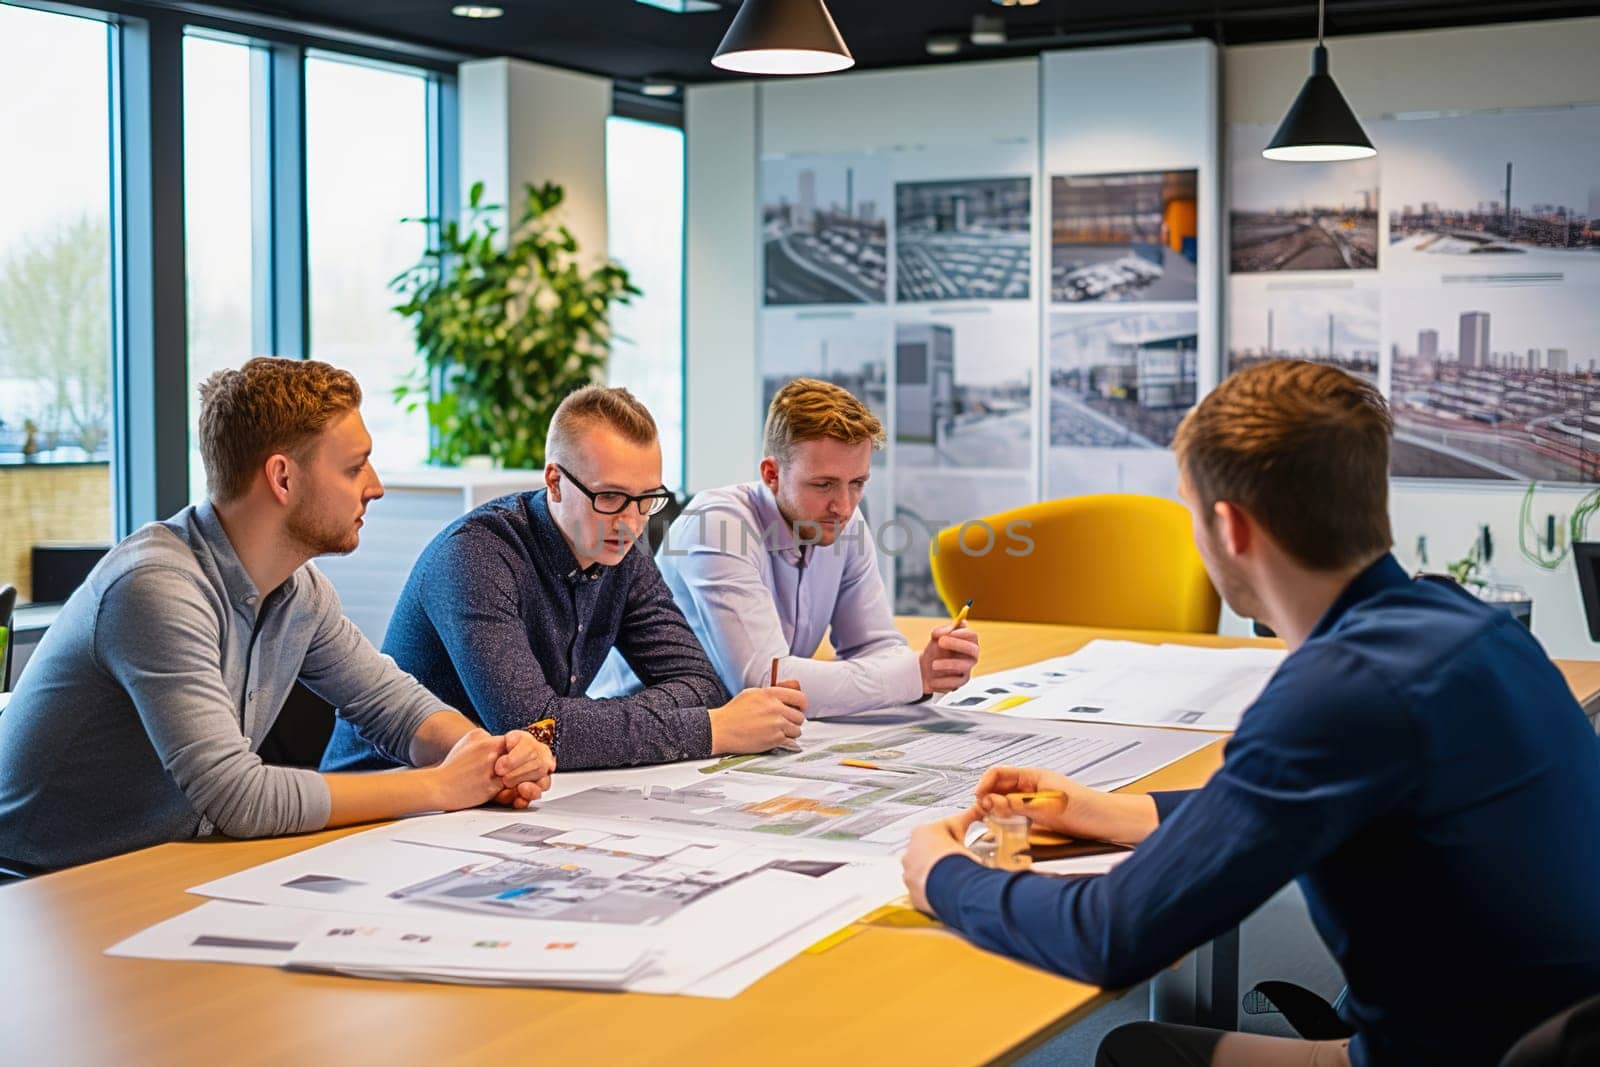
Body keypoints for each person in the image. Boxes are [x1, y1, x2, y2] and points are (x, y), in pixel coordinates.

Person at [899, 360, 1600, 1067]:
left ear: (1230, 527)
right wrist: (1115, 810)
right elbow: (1303, 795)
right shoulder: (1468, 625)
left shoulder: (1339, 691)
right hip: (1547, 1038)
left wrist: (943, 875)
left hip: (1449, 1056)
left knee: (1140, 1054)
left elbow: (1112, 936)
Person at [0, 358, 554, 872]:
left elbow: (394, 707)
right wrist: (440, 787)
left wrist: (484, 756)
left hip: (162, 866)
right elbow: (238, 797)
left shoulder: (297, 589)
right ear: (283, 478)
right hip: (42, 889)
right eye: (354, 467)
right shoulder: (155, 588)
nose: (375, 487)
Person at [321, 385, 807, 774]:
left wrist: (586, 726)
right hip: (385, 796)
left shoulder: (621, 547)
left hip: (503, 792)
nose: (633, 521)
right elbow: (533, 727)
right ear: (555, 481)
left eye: (647, 498)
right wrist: (712, 731)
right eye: (611, 497)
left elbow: (699, 684)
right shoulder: (475, 556)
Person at [646, 377, 980, 716]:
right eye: (824, 485)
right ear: (771, 474)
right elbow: (767, 683)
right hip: (654, 736)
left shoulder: (841, 520)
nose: (845, 506)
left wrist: (930, 671)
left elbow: (874, 645)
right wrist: (913, 675)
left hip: (738, 735)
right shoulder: (717, 525)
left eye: (858, 483)